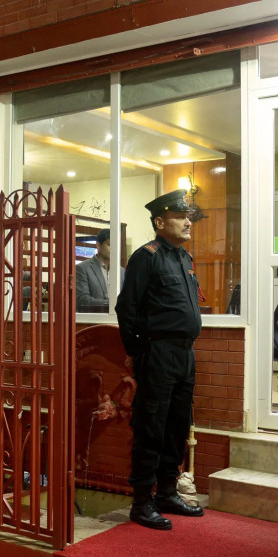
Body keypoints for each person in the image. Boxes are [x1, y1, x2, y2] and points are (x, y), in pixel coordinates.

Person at [115, 189, 205, 531]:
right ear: (159, 222)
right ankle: (142, 501)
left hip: (184, 354)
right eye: (180, 217)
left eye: (188, 217)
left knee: (177, 426)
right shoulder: (146, 257)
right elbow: (127, 308)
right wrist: (138, 352)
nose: (187, 222)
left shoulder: (184, 258)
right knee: (151, 426)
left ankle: (167, 492)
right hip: (158, 353)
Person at [76, 228, 124, 312]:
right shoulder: (82, 268)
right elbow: (83, 300)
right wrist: (112, 303)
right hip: (92, 318)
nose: (114, 249)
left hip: (117, 318)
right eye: (110, 245)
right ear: (98, 245)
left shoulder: (121, 271)